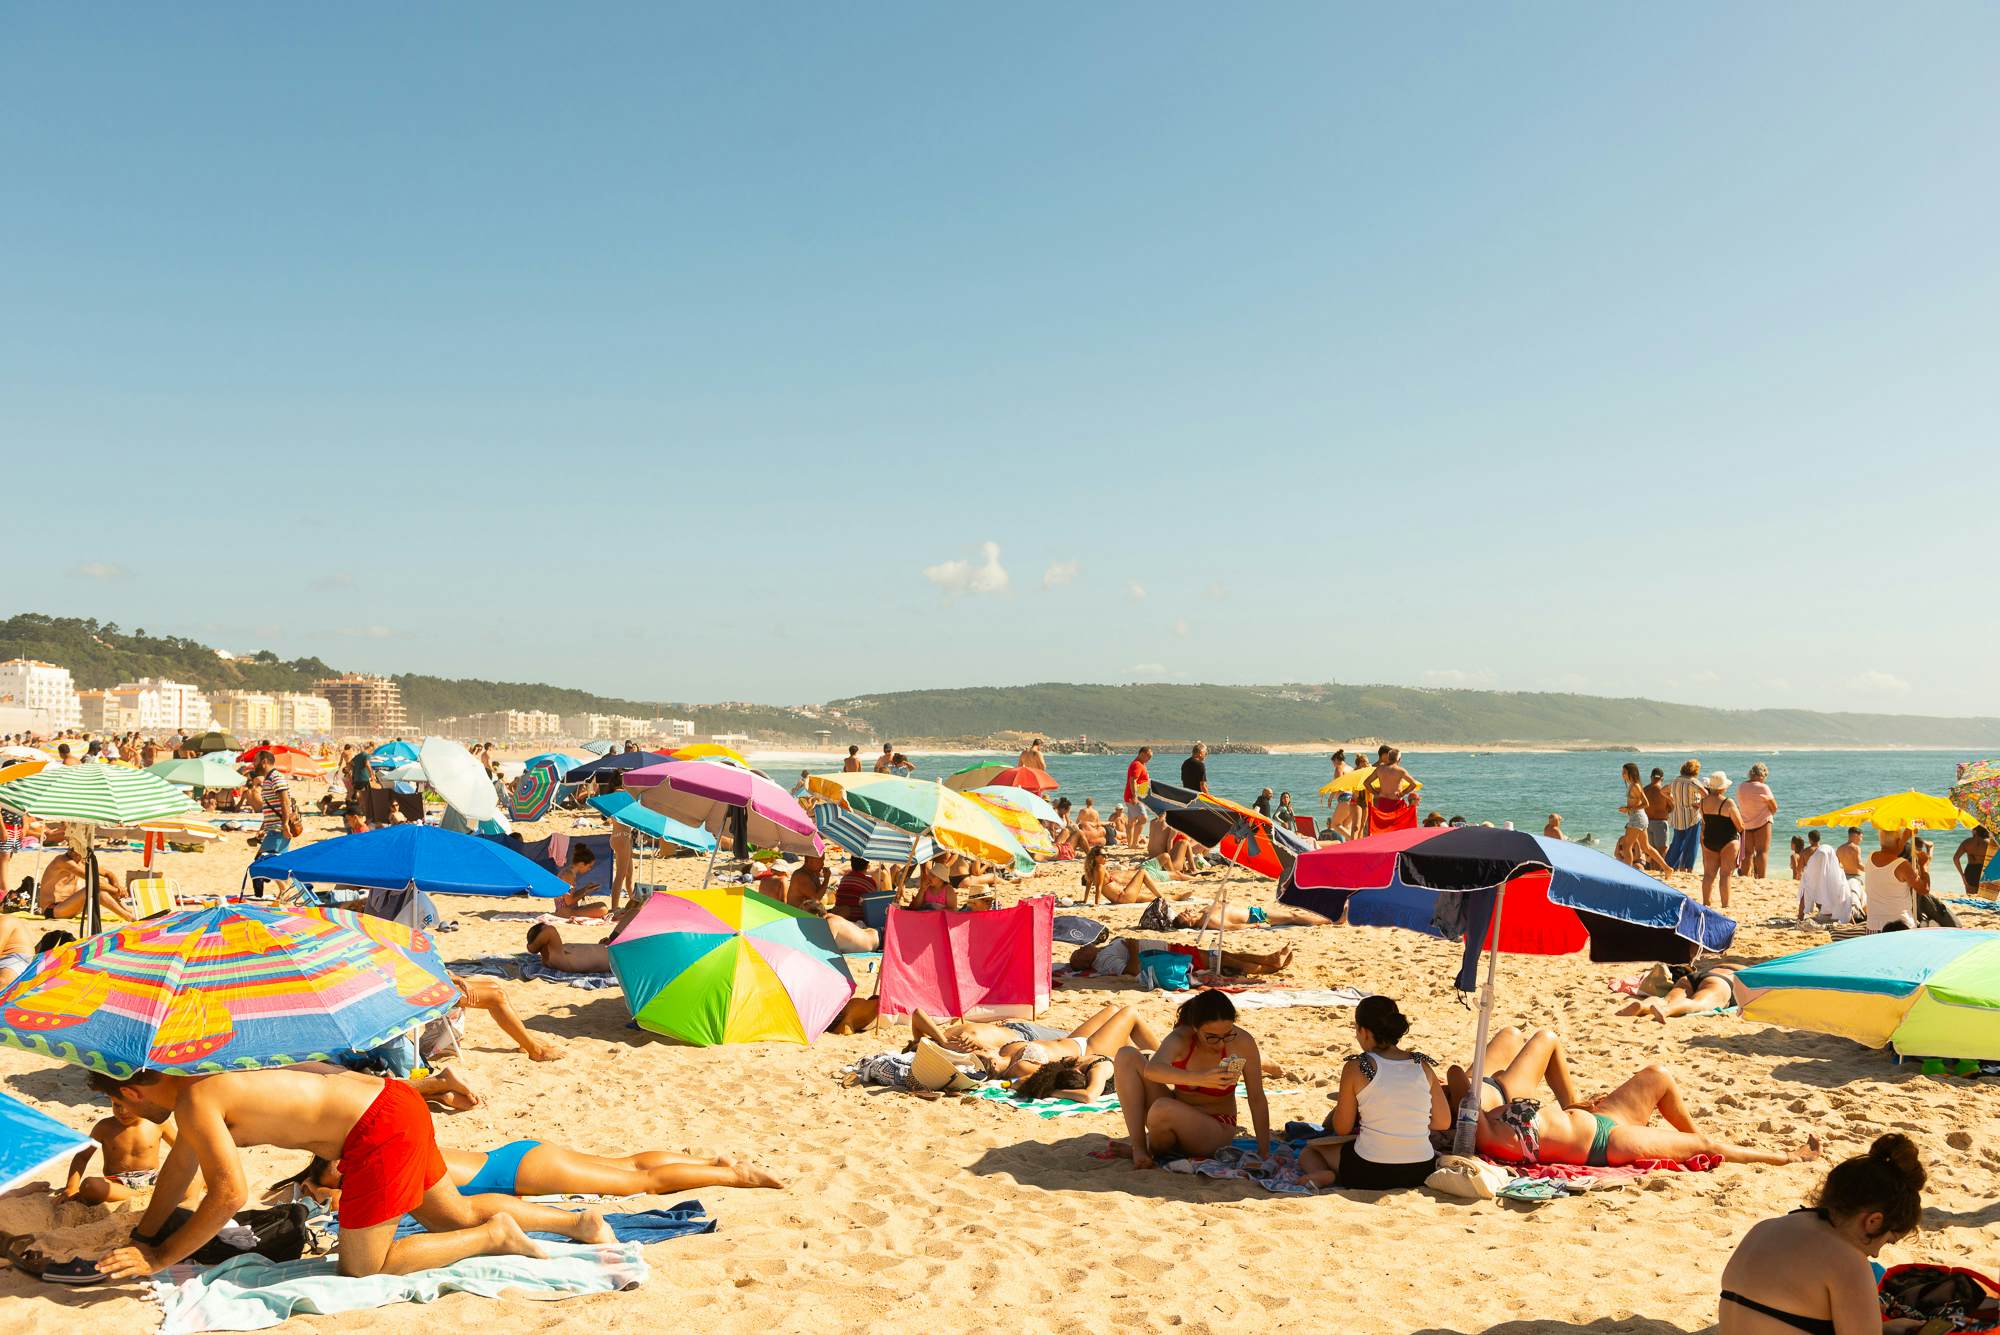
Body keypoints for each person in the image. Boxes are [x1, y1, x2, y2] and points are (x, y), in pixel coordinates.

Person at [90, 1066, 613, 1282]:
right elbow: (177, 1175)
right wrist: (143, 1234)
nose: (124, 1114)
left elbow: (228, 1195)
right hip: (394, 1100)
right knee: (454, 1213)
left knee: (364, 1266)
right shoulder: (207, 1080)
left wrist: (159, 1258)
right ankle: (578, 1225)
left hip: (378, 1129)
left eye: (119, 1104)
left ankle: (496, 1236)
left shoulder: (196, 1102)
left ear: (132, 1093)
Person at [1445, 1026, 1819, 1168]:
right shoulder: (1480, 1133)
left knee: (1658, 1075)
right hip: (1607, 1141)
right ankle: (1788, 1157)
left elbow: (1458, 1080)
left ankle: (1690, 1138)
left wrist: (1573, 1106)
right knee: (1700, 1144)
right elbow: (1456, 1076)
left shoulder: (1484, 1118)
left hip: (1598, 1117)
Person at [1718, 1135, 1925, 1335]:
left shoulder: (1764, 1228)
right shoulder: (1848, 1262)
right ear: (1873, 1221)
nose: (1877, 1254)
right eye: (1887, 1241)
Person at [275, 1139, 782, 1204]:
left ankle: (733, 1177)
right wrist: (311, 1182)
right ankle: (713, 1163)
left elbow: (344, 1201)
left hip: (519, 1175)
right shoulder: (389, 1146)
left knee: (638, 1183)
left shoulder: (375, 1168)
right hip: (516, 1157)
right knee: (627, 1166)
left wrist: (316, 1192)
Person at [1298, 996, 1448, 1190]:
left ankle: (1321, 1173)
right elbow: (1443, 1121)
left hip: (1369, 1172)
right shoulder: (1422, 1064)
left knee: (1311, 1152)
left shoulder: (1357, 1066)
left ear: (1365, 1032)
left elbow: (1341, 1127)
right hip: (1420, 1171)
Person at [1113, 990, 1270, 1169]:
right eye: (1211, 1037)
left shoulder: (1242, 1042)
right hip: (1175, 1114)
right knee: (1126, 1055)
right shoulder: (1181, 1038)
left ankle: (1151, 1149)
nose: (1221, 1043)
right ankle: (1139, 1148)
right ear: (1195, 1028)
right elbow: (1153, 1070)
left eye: (1228, 1034)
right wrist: (1201, 1079)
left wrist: (1263, 1151)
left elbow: (1257, 1097)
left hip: (1216, 1126)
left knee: (1162, 1109)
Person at [913, 1003, 1161, 1083]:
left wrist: (944, 1039)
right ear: (992, 1062)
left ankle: (1141, 1057)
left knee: (1114, 1009)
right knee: (1129, 1013)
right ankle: (1166, 1060)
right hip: (1090, 1050)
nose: (982, 1051)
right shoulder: (1018, 1068)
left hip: (1075, 1039)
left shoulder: (1000, 1053)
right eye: (984, 1054)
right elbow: (1051, 1076)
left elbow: (917, 1015)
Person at [65, 1086, 176, 1204]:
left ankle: (147, 1192)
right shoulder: (104, 1127)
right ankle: (142, 1194)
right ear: (111, 1101)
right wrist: (71, 1187)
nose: (123, 1112)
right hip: (118, 1182)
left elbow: (182, 1147)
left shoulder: (158, 1123)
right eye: (117, 1105)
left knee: (190, 1180)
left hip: (153, 1179)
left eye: (129, 1106)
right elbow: (82, 1157)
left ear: (143, 1102)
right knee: (89, 1186)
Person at [1070, 937, 1292, 979]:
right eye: (1079, 953)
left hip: (1169, 948)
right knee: (1221, 960)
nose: (1082, 948)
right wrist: (1133, 945)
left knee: (1223, 956)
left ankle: (1268, 959)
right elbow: (1131, 971)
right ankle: (1268, 966)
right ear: (1085, 963)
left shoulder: (1103, 950)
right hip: (1167, 957)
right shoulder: (1103, 961)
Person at [37, 843, 134, 922]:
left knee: (102, 884)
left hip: (70, 905)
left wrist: (117, 886)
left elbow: (108, 873)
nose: (73, 853)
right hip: (53, 909)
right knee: (95, 888)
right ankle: (128, 916)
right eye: (72, 850)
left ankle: (126, 910)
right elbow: (94, 881)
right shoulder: (63, 861)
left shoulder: (81, 862)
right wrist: (116, 890)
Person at [1616, 962, 1740, 1024]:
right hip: (1721, 983)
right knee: (1697, 1003)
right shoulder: (1750, 972)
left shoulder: (1722, 965)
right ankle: (1666, 1010)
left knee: (1665, 999)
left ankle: (1643, 1006)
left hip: (1693, 976)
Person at [1617, 762, 1672, 873]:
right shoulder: (1632, 785)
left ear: (1630, 773)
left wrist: (1628, 809)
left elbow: (1646, 803)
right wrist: (1628, 808)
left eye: (1624, 772)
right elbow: (1636, 803)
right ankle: (1667, 868)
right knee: (1646, 847)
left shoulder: (1635, 786)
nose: (1622, 774)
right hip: (1638, 818)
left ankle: (1627, 873)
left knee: (1627, 845)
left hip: (1637, 818)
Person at [1699, 772, 1743, 909]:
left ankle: (1706, 903)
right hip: (1728, 840)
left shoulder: (1702, 802)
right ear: (1723, 788)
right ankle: (1726, 905)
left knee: (1708, 874)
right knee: (1725, 874)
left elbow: (1704, 822)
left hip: (1709, 839)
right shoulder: (1728, 802)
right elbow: (1740, 825)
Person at [1863, 828, 1919, 932]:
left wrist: (1905, 836)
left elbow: (1892, 851)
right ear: (1898, 842)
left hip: (1873, 928)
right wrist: (1925, 865)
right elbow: (1924, 889)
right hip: (1900, 927)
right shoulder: (1902, 865)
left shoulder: (1871, 857)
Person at [1735, 764, 1779, 878]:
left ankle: (1744, 876)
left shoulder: (1741, 786)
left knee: (1747, 853)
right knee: (1762, 852)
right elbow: (1774, 808)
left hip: (1746, 822)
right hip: (1763, 822)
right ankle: (1762, 878)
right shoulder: (1763, 787)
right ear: (1761, 775)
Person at [1361, 747, 1420, 833]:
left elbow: (1366, 783)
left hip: (1383, 802)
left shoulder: (1380, 769)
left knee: (1383, 829)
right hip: (1396, 803)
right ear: (1399, 759)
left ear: (1388, 758)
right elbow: (1413, 784)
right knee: (1400, 830)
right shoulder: (1400, 771)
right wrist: (1403, 793)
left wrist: (1375, 792)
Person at [1665, 759, 1706, 872]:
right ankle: (1688, 867)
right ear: (1695, 771)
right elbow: (1706, 794)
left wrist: (1673, 799)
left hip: (1678, 816)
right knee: (1693, 843)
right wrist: (1698, 804)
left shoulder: (1675, 781)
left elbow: (1663, 791)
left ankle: (1670, 865)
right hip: (1692, 816)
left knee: (1678, 842)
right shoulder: (1693, 781)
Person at [1170, 901, 1329, 930]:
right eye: (1185, 915)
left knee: (1293, 914)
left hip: (1252, 910)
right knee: (1292, 916)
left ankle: (1325, 917)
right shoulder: (1208, 920)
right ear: (1191, 923)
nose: (1185, 912)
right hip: (1254, 917)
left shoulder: (1203, 911)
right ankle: (1328, 921)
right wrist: (1255, 925)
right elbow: (1231, 927)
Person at [524, 922, 611, 974]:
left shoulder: (556, 952)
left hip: (610, 950)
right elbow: (550, 930)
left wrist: (600, 946)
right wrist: (532, 948)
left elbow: (586, 954)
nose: (547, 926)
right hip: (616, 956)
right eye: (544, 928)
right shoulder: (554, 957)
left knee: (624, 918)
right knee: (625, 918)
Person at [552, 845, 606, 919]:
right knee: (602, 909)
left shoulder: (567, 872)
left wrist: (585, 889)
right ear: (581, 864)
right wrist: (584, 892)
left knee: (602, 905)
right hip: (565, 911)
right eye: (589, 866)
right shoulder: (568, 875)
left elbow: (569, 896)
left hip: (566, 909)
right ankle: (566, 914)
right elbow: (569, 902)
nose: (589, 869)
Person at [832, 856, 878, 921]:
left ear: (851, 864)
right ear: (867, 865)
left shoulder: (845, 878)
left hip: (840, 914)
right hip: (856, 917)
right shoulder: (869, 882)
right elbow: (873, 903)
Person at [1954, 826, 1995, 895]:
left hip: (1971, 871)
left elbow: (1955, 858)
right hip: (1985, 871)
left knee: (1971, 898)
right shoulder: (1990, 843)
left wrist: (1962, 875)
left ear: (1975, 831)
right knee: (1986, 899)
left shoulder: (1966, 842)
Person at [1642, 768, 1673, 860]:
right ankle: (1661, 870)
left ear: (1651, 777)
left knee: (1651, 850)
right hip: (1660, 823)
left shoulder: (1644, 790)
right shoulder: (1664, 791)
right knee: (1662, 849)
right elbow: (1672, 806)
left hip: (1647, 822)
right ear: (1662, 778)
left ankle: (1653, 869)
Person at [1122, 746, 1152, 836]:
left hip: (1133, 796)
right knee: (1143, 819)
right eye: (1148, 756)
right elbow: (1133, 780)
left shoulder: (1139, 764)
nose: (1149, 759)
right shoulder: (1137, 764)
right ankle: (1135, 843)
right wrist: (1135, 796)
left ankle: (1131, 844)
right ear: (1142, 754)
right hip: (1135, 797)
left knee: (1131, 821)